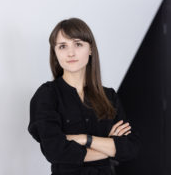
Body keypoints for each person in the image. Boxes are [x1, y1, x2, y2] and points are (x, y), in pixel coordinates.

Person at [27, 18, 141, 175]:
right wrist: (110, 147)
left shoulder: (109, 96)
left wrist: (84, 139)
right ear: (55, 52)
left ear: (91, 49)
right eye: (62, 46)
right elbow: (55, 151)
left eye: (78, 44)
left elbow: (130, 147)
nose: (71, 53)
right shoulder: (47, 96)